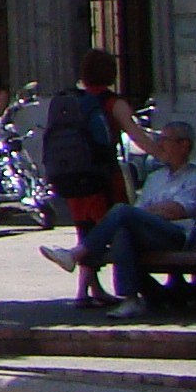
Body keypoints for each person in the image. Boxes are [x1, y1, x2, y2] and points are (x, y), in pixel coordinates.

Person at [79, 122, 196, 317]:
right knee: (123, 231)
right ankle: (131, 300)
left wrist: (147, 213)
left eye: (165, 139)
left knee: (122, 212)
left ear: (184, 145)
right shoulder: (156, 177)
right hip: (149, 233)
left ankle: (80, 253)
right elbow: (140, 211)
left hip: (176, 236)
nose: (159, 144)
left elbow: (179, 211)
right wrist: (153, 212)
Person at [41, 49, 144, 297]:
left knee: (85, 229)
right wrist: (162, 152)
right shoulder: (112, 103)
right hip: (103, 177)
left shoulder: (74, 101)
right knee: (113, 229)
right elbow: (137, 136)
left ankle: (87, 290)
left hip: (73, 174)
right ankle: (125, 290)